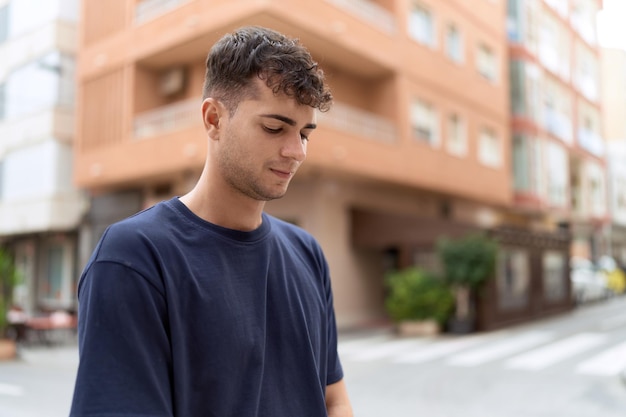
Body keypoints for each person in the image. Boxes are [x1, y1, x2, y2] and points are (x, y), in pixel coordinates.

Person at [69, 26, 353, 417]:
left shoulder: (307, 253)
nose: (296, 151)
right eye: (275, 128)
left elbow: (333, 398)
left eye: (305, 133)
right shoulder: (133, 257)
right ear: (214, 118)